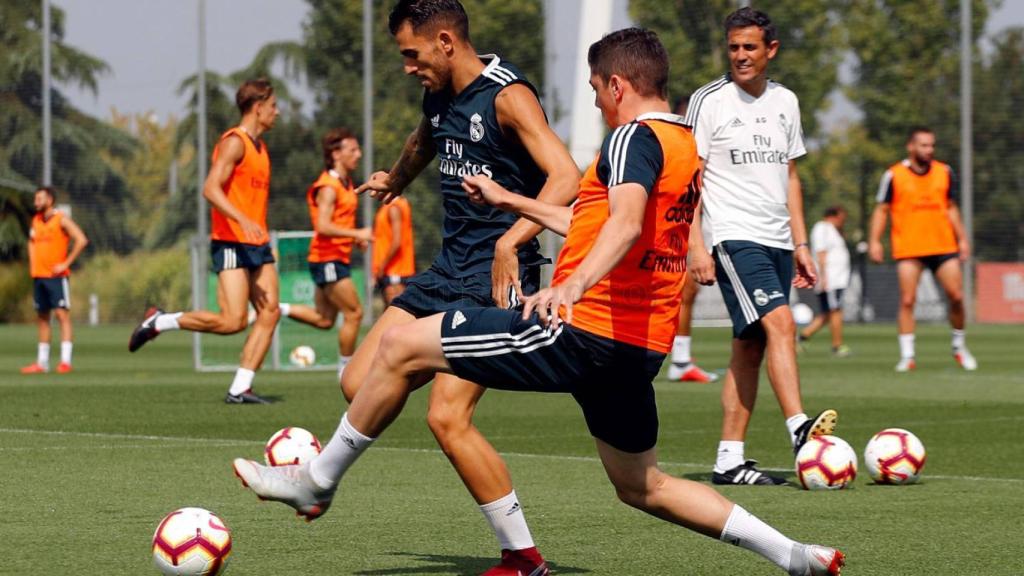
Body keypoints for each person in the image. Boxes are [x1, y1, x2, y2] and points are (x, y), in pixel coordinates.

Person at [232, 28, 846, 576]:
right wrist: (511, 201)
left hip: (581, 331)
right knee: (644, 485)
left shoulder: (633, 137)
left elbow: (626, 224)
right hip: (636, 348)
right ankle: (792, 554)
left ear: (617, 84)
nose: (597, 103)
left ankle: (316, 483)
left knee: (398, 346)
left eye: (596, 91)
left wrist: (569, 286)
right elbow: (591, 218)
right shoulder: (683, 142)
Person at [343, 1, 581, 573]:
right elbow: (427, 138)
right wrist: (395, 180)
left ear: (445, 42)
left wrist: (511, 240)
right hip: (448, 268)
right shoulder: (440, 91)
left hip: (495, 277)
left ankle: (523, 557)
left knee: (447, 418)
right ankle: (435, 360)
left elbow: (567, 176)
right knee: (358, 383)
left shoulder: (507, 95)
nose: (407, 66)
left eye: (411, 54)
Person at [685, 7, 838, 486]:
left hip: (776, 240)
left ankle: (729, 460)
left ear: (770, 50)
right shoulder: (708, 101)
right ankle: (798, 430)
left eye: (750, 47)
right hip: (733, 236)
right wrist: (695, 244)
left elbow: (791, 177)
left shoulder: (786, 102)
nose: (740, 56)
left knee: (748, 346)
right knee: (781, 322)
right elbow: (686, 181)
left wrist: (801, 242)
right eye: (733, 48)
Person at [129, 78, 282, 404]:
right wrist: (242, 219)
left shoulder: (262, 149)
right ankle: (160, 321)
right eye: (273, 106)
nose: (277, 112)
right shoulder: (234, 142)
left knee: (270, 314)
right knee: (233, 321)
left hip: (258, 244)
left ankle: (240, 388)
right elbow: (210, 188)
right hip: (230, 242)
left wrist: (260, 234)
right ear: (257, 107)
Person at [868, 126, 976, 372]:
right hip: (909, 247)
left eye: (931, 145)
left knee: (957, 296)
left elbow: (951, 207)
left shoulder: (944, 172)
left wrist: (962, 239)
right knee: (907, 300)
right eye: (924, 145)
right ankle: (908, 356)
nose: (929, 150)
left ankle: (959, 346)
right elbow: (881, 210)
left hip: (943, 244)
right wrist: (874, 240)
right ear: (911, 146)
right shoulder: (894, 175)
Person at [279, 128, 372, 378]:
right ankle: (345, 370)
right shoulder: (328, 187)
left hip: (331, 257)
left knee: (324, 320)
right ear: (336, 154)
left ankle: (279, 310)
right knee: (354, 313)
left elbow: (338, 222)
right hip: (327, 258)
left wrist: (354, 241)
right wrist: (358, 235)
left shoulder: (345, 183)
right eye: (353, 149)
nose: (359, 154)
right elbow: (322, 225)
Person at [666, 95, 718, 383]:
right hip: (674, 223)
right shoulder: (676, 143)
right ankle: (680, 359)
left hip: (691, 221)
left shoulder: (696, 144)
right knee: (684, 288)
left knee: (688, 289)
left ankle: (681, 358)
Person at [21, 186, 89, 374]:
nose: (36, 202)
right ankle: (42, 363)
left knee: (61, 316)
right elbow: (32, 242)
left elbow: (81, 240)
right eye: (35, 199)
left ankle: (65, 361)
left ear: (50, 200)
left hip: (56, 277)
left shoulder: (61, 219)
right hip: (39, 276)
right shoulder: (35, 221)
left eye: (39, 199)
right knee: (42, 318)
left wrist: (65, 263)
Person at [798, 206, 851, 357]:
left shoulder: (834, 231)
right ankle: (837, 345)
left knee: (827, 314)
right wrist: (824, 277)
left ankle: (802, 337)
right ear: (833, 216)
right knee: (835, 311)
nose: (843, 221)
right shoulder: (823, 228)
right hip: (831, 279)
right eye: (841, 217)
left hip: (838, 278)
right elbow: (821, 253)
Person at [372, 194, 415, 306]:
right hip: (392, 271)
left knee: (396, 315)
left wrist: (381, 267)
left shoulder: (394, 207)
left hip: (394, 270)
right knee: (390, 315)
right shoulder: (394, 205)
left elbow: (396, 242)